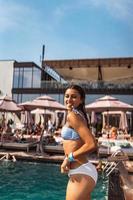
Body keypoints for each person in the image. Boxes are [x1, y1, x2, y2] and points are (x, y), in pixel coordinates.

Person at [61, 84, 98, 200]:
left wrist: (69, 158)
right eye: (67, 96)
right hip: (80, 171)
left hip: (82, 171)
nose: (69, 99)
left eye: (74, 97)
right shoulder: (77, 114)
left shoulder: (73, 116)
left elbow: (92, 144)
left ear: (81, 100)